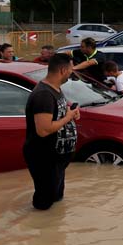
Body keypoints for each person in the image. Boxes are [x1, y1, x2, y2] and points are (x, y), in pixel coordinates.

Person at [23, 53, 80, 211]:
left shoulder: (54, 89)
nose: (71, 72)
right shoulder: (44, 95)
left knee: (56, 198)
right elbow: (43, 130)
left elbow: (57, 113)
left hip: (56, 157)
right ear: (62, 70)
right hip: (44, 156)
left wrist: (70, 111)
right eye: (70, 69)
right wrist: (68, 117)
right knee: (44, 203)